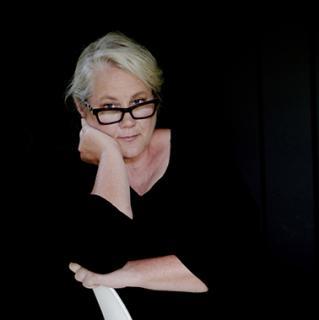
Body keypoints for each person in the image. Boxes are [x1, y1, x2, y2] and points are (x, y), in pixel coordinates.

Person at [58, 31, 261, 319]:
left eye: (139, 102)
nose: (128, 122)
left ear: (155, 98)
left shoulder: (200, 155)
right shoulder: (67, 173)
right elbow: (103, 256)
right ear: (82, 108)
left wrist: (125, 274)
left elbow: (234, 263)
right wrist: (110, 157)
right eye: (110, 107)